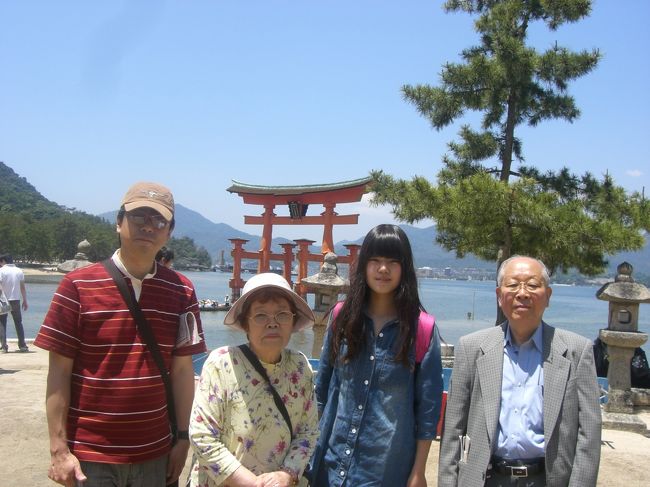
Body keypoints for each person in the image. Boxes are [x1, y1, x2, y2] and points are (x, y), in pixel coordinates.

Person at [34, 182, 207, 487]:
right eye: (139, 216)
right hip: (91, 454)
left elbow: (182, 370)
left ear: (169, 231)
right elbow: (59, 372)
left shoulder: (182, 290)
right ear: (119, 222)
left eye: (159, 220)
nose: (148, 226)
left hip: (157, 451)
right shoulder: (76, 286)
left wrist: (182, 438)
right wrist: (58, 449)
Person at [438, 255, 602, 486]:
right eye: (513, 285)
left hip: (548, 479)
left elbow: (589, 434)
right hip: (486, 478)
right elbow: (453, 427)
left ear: (548, 296)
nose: (522, 293)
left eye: (533, 285)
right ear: (499, 295)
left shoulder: (576, 351)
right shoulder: (472, 348)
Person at [309, 224, 444, 487]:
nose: (383, 269)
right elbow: (322, 389)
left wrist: (418, 471)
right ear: (364, 265)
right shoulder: (341, 317)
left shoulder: (422, 329)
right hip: (330, 464)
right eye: (376, 261)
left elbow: (428, 410)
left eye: (393, 262)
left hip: (384, 470)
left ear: (404, 269)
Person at [188, 272, 319, 486]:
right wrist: (250, 482)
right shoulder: (222, 363)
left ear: (293, 320)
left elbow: (309, 431)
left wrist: (287, 474)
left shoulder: (300, 366)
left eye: (282, 315)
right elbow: (202, 436)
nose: (272, 323)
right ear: (245, 323)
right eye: (260, 315)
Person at [0, 253, 29, 353]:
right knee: (18, 322)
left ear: (3, 261)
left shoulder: (1, 271)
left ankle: (4, 346)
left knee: (2, 323)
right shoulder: (19, 271)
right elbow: (22, 287)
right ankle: (22, 345)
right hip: (16, 300)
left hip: (3, 300)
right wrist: (25, 300)